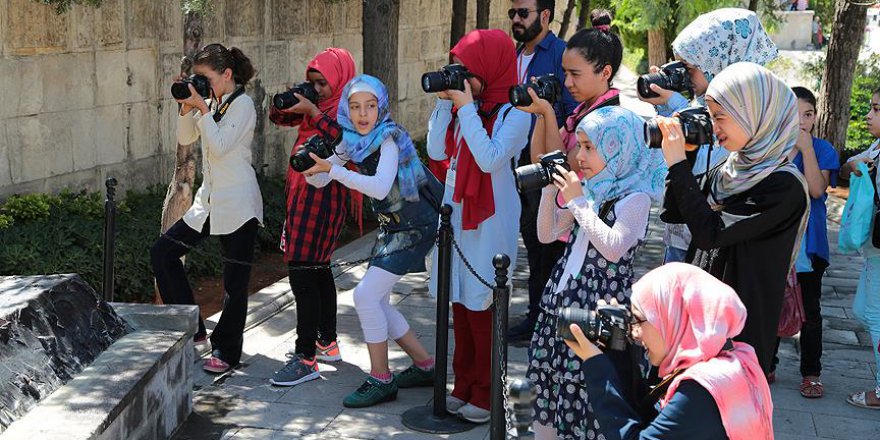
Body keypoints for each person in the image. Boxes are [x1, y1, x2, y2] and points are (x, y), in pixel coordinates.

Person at [657, 62, 809, 373]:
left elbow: (710, 233)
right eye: (711, 118)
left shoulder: (784, 186)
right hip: (699, 316)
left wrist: (677, 166)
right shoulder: (733, 170)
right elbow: (673, 211)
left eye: (720, 117)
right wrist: (684, 155)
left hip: (738, 332)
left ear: (753, 115)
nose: (714, 128)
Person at [526, 106, 667, 440]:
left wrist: (577, 201)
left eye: (590, 147)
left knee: (590, 395)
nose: (580, 155)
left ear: (618, 147)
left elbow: (613, 247)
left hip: (601, 311)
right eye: (580, 145)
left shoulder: (635, 199)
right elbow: (547, 234)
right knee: (546, 388)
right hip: (558, 301)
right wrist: (550, 189)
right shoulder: (591, 191)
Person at [303, 75, 443, 408]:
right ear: (345, 109)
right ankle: (426, 366)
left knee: (365, 295)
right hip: (392, 227)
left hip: (414, 226)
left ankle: (382, 378)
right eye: (355, 107)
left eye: (370, 106)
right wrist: (312, 166)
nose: (362, 114)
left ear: (381, 108)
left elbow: (380, 187)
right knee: (375, 300)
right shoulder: (350, 139)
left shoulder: (388, 139)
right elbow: (323, 179)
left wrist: (333, 171)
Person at [426, 29, 530, 423]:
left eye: (469, 70)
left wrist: (466, 108)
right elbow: (437, 151)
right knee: (460, 302)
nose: (462, 78)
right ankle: (464, 385)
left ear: (491, 66)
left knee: (483, 304)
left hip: (491, 217)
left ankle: (488, 397)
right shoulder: (465, 108)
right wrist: (443, 106)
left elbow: (489, 159)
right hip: (456, 212)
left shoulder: (514, 111)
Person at [566, 263, 774, 440]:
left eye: (638, 319)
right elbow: (649, 417)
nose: (635, 333)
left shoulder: (702, 390)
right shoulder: (731, 358)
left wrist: (597, 368)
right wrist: (616, 352)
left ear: (673, 317)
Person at [151, 43, 262, 374]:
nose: (201, 83)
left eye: (205, 78)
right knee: (162, 253)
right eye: (196, 78)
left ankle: (227, 352)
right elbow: (185, 138)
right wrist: (188, 106)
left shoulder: (242, 106)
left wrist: (202, 107)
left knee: (234, 284)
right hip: (209, 201)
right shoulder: (213, 103)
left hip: (239, 203)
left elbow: (221, 146)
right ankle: (195, 330)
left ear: (227, 75)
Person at [639, 8, 778, 264]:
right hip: (683, 232)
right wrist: (667, 104)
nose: (682, 74)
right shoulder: (700, 102)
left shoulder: (746, 114)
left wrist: (678, 107)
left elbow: (709, 154)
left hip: (710, 244)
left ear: (719, 63)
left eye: (689, 68)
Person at [268, 48, 357, 387]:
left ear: (339, 80)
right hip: (303, 192)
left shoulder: (348, 109)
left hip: (323, 196)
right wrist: (291, 100)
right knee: (318, 269)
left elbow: (343, 140)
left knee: (302, 272)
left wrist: (314, 110)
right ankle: (326, 342)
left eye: (323, 83)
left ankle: (305, 357)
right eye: (313, 83)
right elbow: (279, 118)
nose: (317, 89)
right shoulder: (315, 107)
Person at [507, 0, 578, 343]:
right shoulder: (512, 54)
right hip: (512, 163)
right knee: (529, 239)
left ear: (545, 16)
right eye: (513, 14)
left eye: (524, 13)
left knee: (545, 243)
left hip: (545, 166)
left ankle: (541, 319)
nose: (517, 20)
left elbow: (572, 112)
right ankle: (536, 314)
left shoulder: (561, 54)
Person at [770, 86, 839, 396]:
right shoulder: (770, 146)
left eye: (808, 114)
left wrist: (807, 149)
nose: (802, 121)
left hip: (809, 247)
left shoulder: (823, 150)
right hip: (775, 243)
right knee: (769, 306)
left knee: (810, 312)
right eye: (796, 113)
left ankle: (811, 373)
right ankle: (764, 365)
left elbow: (817, 190)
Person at [841, 87, 880, 410]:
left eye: (877, 109)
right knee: (863, 311)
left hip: (879, 251)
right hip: (873, 249)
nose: (868, 115)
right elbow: (851, 165)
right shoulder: (877, 147)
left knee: (874, 315)